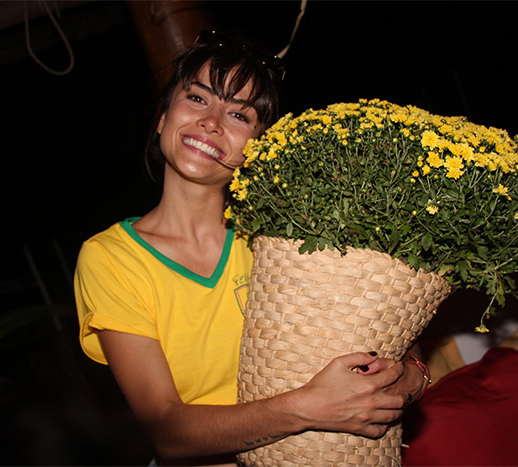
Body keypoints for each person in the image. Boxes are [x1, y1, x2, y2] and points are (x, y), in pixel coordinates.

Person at [74, 30, 430, 466]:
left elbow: (394, 340)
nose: (212, 123)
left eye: (239, 116)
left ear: (256, 146)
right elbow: (167, 430)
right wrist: (307, 407)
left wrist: (409, 380)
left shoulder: (285, 237)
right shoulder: (111, 258)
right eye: (198, 99)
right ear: (164, 117)